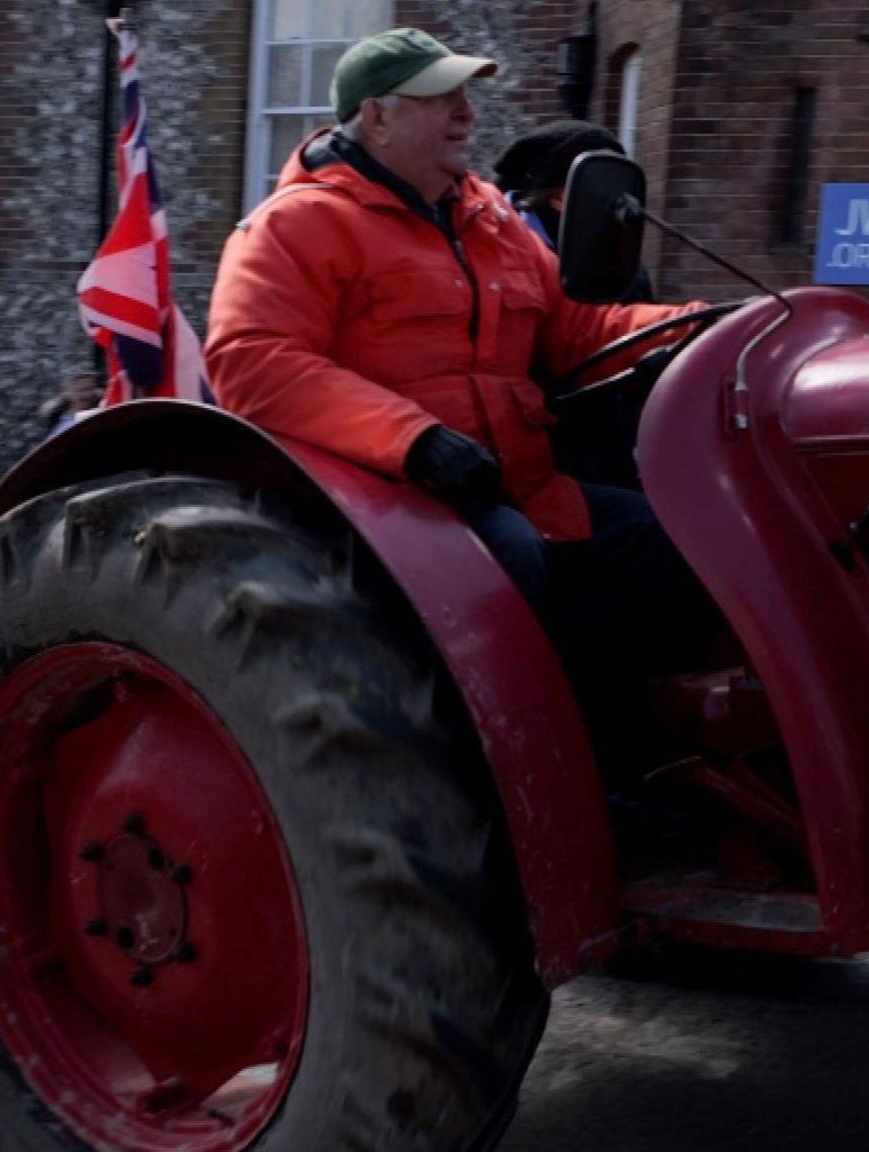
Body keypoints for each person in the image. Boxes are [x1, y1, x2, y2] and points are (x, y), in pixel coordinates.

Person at [205, 28, 712, 764]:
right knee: (507, 562)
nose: (467, 114)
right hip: (395, 496)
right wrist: (411, 438)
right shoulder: (295, 226)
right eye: (441, 99)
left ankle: (632, 759)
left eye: (465, 97)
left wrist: (694, 329)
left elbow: (578, 332)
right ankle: (510, 773)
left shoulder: (493, 221)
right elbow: (252, 362)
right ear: (377, 117)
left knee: (674, 539)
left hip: (519, 486)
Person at [493, 120, 656, 303]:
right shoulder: (501, 256)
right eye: (599, 181)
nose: (614, 197)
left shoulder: (622, 267)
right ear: (558, 197)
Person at [39, 370, 103, 440]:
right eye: (82, 390)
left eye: (90, 389)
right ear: (68, 393)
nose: (87, 394)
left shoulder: (102, 413)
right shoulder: (55, 418)